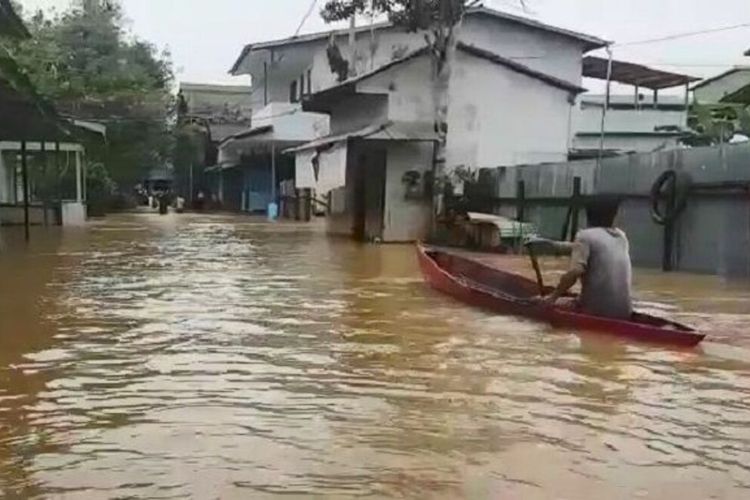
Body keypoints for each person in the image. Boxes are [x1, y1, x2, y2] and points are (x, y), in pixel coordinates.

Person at [532, 196, 633, 320]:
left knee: (536, 301)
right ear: (613, 217)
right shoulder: (621, 237)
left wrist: (553, 297)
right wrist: (553, 245)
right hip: (625, 311)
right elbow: (587, 249)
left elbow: (575, 271)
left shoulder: (584, 236)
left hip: (595, 310)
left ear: (588, 215)